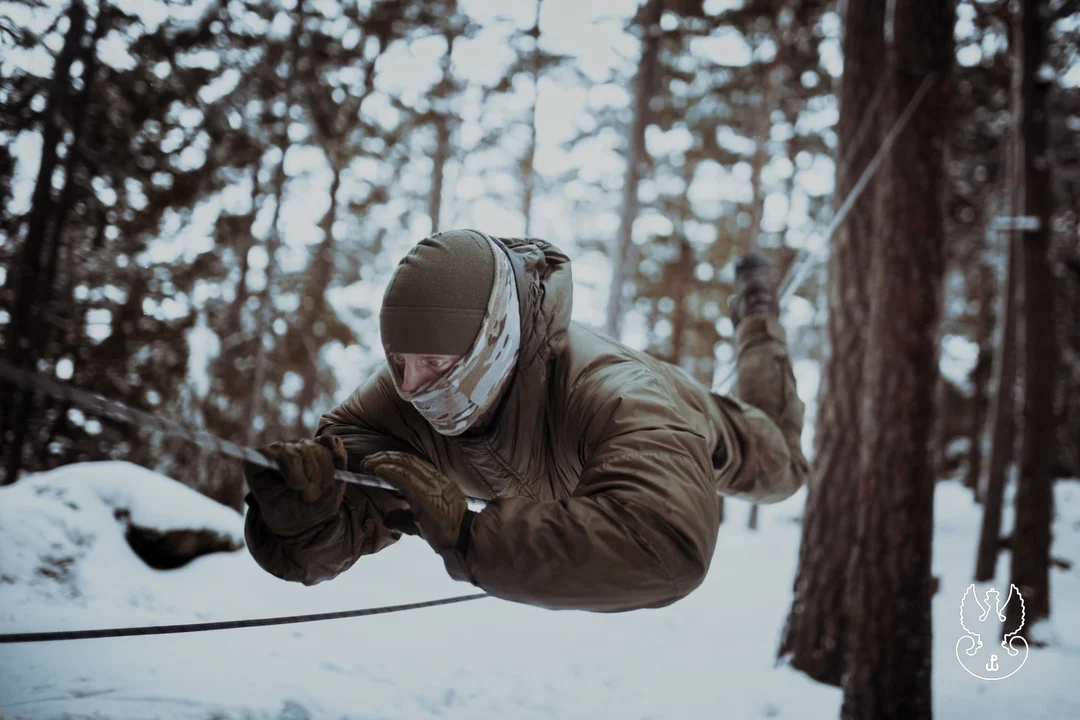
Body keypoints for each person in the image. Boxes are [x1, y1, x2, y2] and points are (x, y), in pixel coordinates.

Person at [243, 229, 809, 612]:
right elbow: (340, 528)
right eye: (399, 363)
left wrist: (469, 537)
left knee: (784, 462)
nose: (413, 387)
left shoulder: (622, 398)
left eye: (436, 364)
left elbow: (666, 548)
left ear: (493, 337)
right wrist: (299, 521)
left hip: (696, 428)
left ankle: (757, 315)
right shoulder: (395, 403)